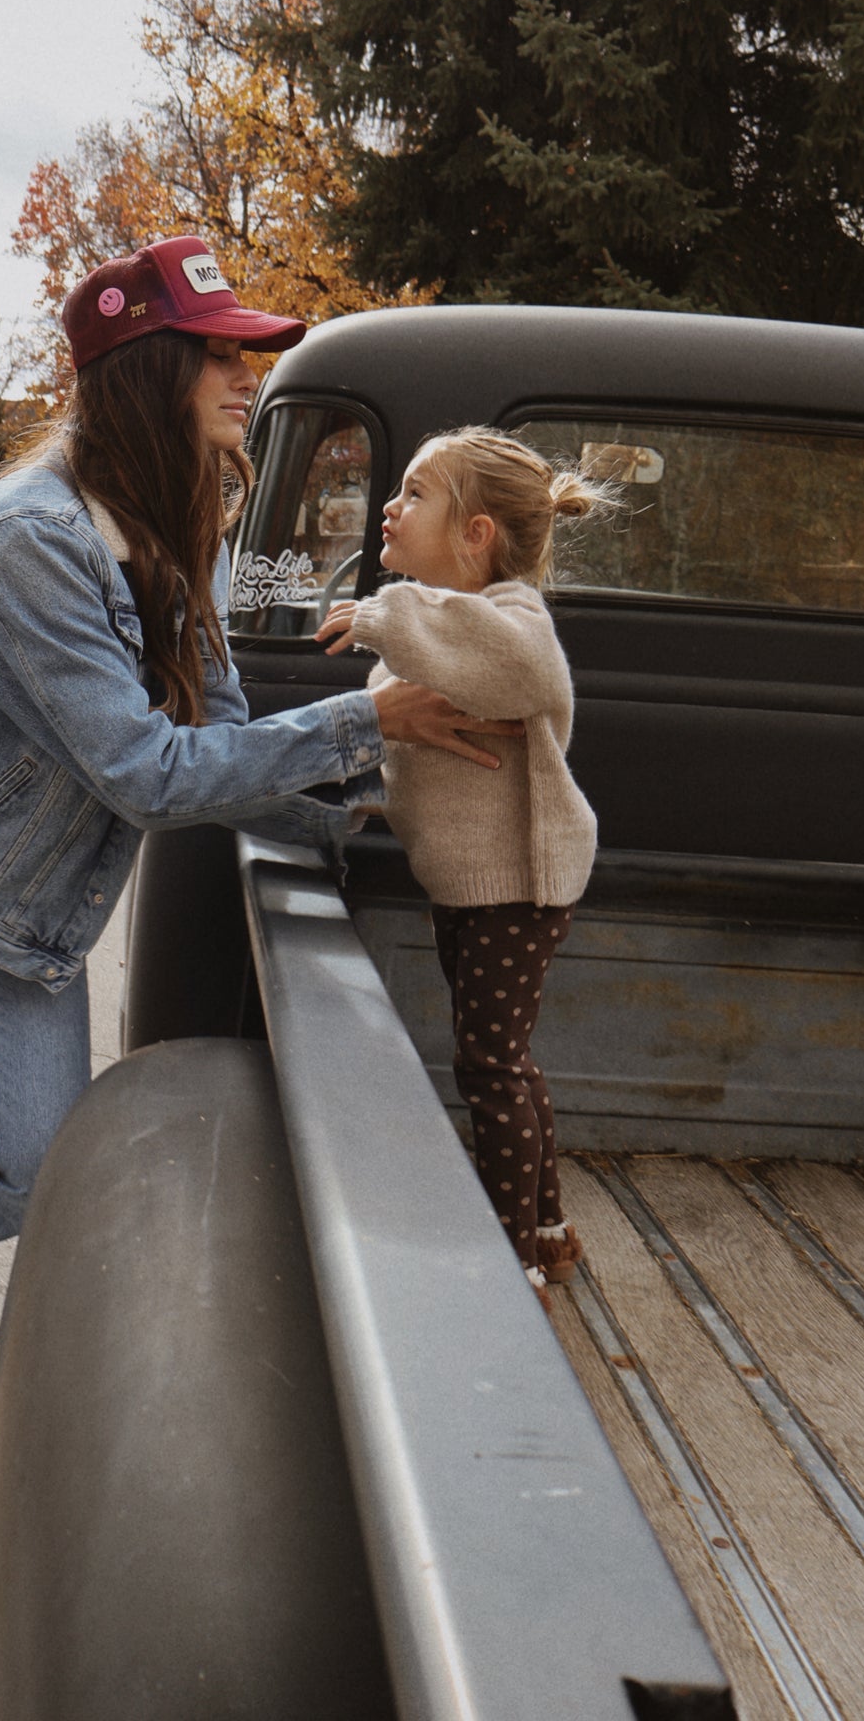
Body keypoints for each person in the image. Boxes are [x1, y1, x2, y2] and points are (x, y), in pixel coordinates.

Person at [0, 236, 522, 1703]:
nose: (248, 383)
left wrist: (352, 808)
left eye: (252, 357)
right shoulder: (29, 537)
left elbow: (220, 741)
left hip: (25, 902)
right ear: (147, 371)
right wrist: (357, 722)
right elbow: (139, 769)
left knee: (44, 1161)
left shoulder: (179, 525)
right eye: (227, 358)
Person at [316, 427, 608, 1311]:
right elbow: (390, 707)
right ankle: (551, 1233)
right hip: (473, 884)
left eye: (413, 495)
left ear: (476, 534)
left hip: (517, 886)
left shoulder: (511, 621)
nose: (391, 510)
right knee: (506, 1062)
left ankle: (510, 1263)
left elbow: (512, 665)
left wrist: (378, 611)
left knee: (489, 1065)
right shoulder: (444, 628)